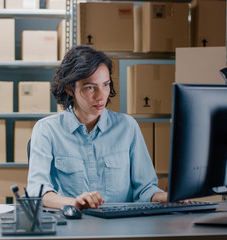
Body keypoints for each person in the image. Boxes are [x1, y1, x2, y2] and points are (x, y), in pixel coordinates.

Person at [27, 45, 167, 210]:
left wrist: (166, 197)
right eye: (90, 87)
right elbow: (37, 191)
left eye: (105, 84)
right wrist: (74, 203)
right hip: (72, 226)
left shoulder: (127, 127)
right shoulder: (47, 130)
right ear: (69, 88)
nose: (101, 96)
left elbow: (145, 189)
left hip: (121, 228)